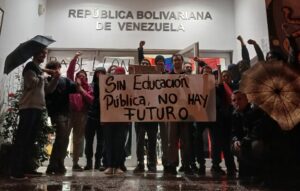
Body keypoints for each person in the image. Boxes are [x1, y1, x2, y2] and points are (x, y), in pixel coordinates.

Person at [10, 48, 60, 179]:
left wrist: (55, 79)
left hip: (38, 108)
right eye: (41, 52)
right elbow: (30, 83)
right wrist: (42, 75)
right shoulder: (30, 67)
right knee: (22, 139)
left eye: (45, 53)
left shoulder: (38, 69)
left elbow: (48, 90)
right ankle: (16, 171)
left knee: (30, 140)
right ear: (34, 53)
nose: (44, 55)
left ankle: (27, 167)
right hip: (28, 107)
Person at [45, 61, 78, 175]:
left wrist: (79, 83)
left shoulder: (65, 80)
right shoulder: (47, 81)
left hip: (67, 112)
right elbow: (48, 93)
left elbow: (75, 88)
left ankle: (59, 163)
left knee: (65, 139)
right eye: (54, 68)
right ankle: (52, 165)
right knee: (61, 138)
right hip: (56, 113)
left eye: (58, 68)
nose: (57, 70)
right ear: (49, 70)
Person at [231, 90, 273, 179]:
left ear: (246, 100)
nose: (236, 102)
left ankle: (258, 172)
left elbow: (257, 131)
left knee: (256, 146)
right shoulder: (235, 114)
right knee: (234, 147)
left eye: (239, 99)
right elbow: (234, 131)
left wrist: (244, 141)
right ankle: (245, 171)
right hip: (244, 140)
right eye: (234, 100)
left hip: (256, 140)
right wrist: (236, 140)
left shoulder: (255, 111)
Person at [66, 52, 93, 171]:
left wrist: (81, 89)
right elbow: (69, 73)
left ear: (86, 78)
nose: (81, 77)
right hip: (69, 113)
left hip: (82, 114)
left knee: (78, 139)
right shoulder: (71, 83)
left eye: (83, 76)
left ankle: (75, 163)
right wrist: (74, 59)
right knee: (64, 137)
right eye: (79, 75)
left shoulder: (88, 88)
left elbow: (91, 100)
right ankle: (59, 162)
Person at [103, 67, 128, 175]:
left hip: (122, 119)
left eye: (121, 74)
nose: (119, 76)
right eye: (117, 74)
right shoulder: (107, 86)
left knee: (120, 143)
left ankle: (118, 166)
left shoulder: (127, 87)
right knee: (109, 143)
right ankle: (110, 165)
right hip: (109, 119)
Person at [84, 67, 106, 171]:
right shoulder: (91, 86)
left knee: (101, 141)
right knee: (89, 141)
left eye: (102, 72)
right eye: (98, 72)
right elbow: (90, 99)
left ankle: (98, 162)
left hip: (103, 116)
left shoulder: (108, 86)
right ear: (95, 74)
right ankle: (89, 162)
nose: (100, 74)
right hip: (91, 115)